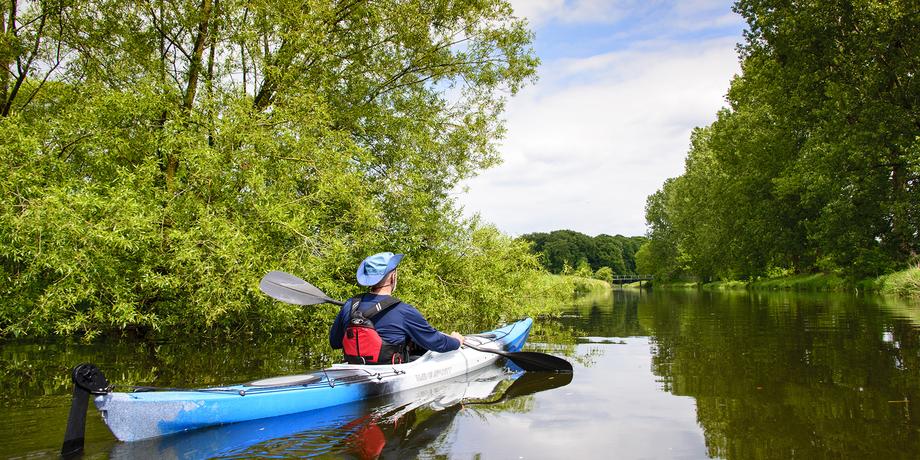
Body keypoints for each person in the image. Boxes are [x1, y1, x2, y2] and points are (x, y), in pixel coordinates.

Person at [329, 252, 465, 365]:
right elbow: (436, 343)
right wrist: (455, 341)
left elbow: (335, 342)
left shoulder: (350, 304)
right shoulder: (404, 311)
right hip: (390, 373)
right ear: (393, 277)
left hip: (354, 369)